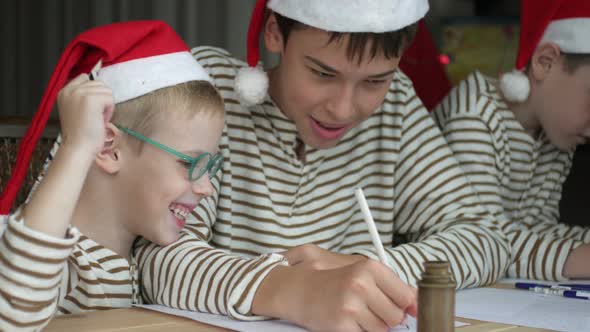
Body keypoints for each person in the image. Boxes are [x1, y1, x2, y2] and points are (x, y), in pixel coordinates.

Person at [0, 20, 225, 331]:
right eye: (190, 164)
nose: (206, 188)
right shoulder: (67, 265)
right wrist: (78, 146)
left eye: (211, 167)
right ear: (107, 148)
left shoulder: (140, 263)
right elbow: (13, 312)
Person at [432, 0, 590, 282]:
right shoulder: (475, 113)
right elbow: (482, 240)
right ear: (545, 62)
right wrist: (579, 259)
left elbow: (538, 229)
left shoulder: (556, 132)